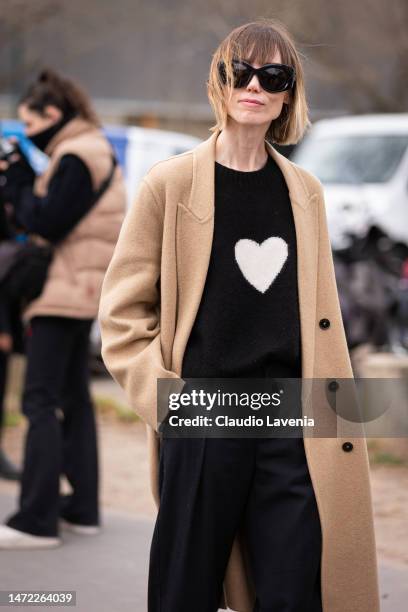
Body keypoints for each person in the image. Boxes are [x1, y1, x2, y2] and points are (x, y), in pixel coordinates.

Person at [98, 19, 380, 612]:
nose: (254, 85)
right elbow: (123, 318)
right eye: (240, 71)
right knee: (184, 590)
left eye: (272, 75)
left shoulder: (305, 190)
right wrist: (171, 404)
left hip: (291, 420)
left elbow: (321, 318)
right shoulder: (169, 184)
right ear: (219, 84)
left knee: (295, 587)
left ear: (287, 93)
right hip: (202, 414)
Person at [0, 69, 126, 548]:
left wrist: (15, 184)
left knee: (39, 402)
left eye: (29, 127)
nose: (29, 137)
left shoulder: (76, 155)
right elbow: (65, 213)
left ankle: (36, 520)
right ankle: (83, 509)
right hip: (84, 291)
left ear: (53, 115)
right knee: (74, 400)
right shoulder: (94, 149)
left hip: (63, 292)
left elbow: (47, 222)